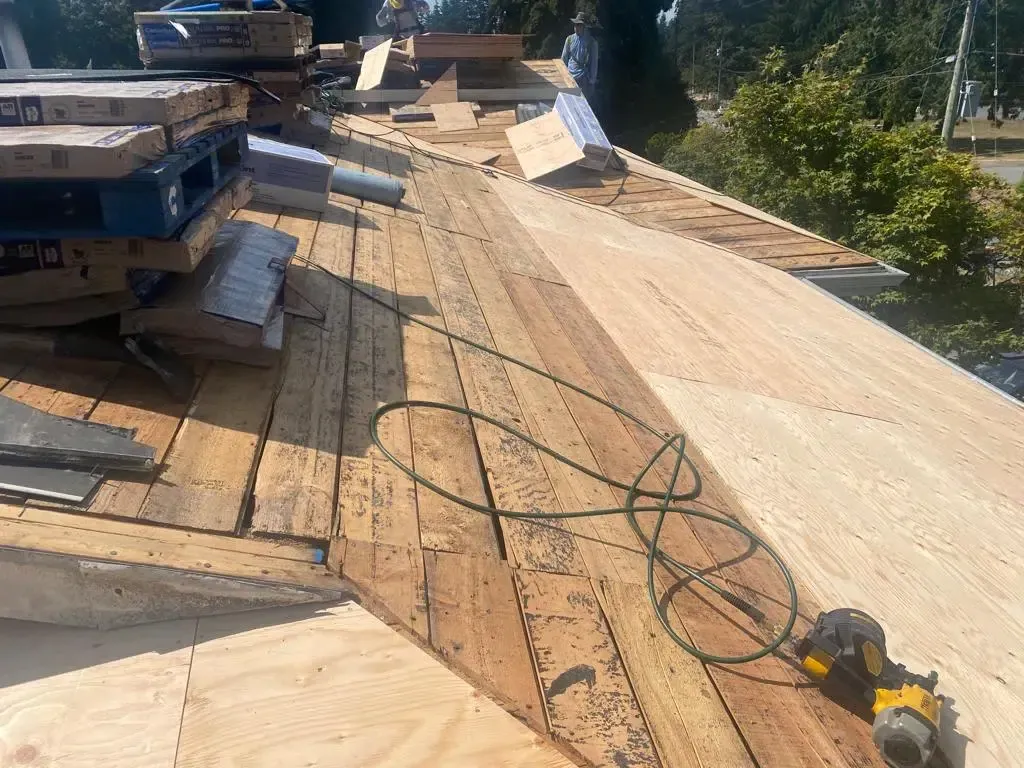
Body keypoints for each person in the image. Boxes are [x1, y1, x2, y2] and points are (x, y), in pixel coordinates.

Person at [561, 13, 599, 102]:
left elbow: (594, 64)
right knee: (570, 102)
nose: (576, 27)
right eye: (575, 25)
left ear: (585, 27)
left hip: (584, 78)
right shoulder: (569, 39)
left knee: (582, 104)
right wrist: (563, 76)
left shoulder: (591, 42)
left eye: (579, 25)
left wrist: (592, 81)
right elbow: (564, 59)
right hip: (570, 76)